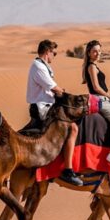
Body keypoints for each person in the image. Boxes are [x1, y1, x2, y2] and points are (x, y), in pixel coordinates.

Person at [27, 40, 83, 186]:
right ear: (47, 52)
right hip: (42, 108)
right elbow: (54, 88)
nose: (54, 56)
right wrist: (63, 92)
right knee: (72, 128)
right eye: (54, 53)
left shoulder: (43, 66)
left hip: (48, 105)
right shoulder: (38, 67)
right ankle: (68, 170)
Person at [82, 40, 110, 168]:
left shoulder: (94, 66)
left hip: (102, 99)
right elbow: (96, 87)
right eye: (94, 51)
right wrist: (109, 96)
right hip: (99, 100)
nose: (97, 53)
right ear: (89, 53)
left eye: (99, 51)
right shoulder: (91, 66)